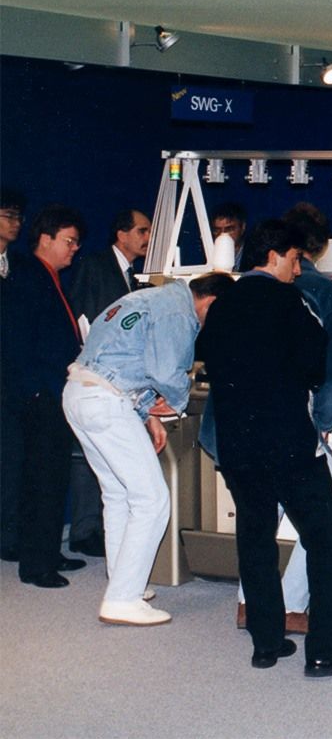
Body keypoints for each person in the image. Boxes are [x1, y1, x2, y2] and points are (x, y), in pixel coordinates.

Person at [197, 220, 332, 676]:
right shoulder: (290, 301)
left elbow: (210, 360)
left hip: (237, 445)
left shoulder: (222, 303)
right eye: (296, 260)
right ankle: (325, 650)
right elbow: (316, 365)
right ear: (274, 255)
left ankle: (266, 642)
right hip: (289, 443)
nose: (298, 270)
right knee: (324, 542)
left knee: (255, 539)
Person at [62, 273, 233, 625]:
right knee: (152, 500)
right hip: (107, 402)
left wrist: (146, 415)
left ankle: (125, 583)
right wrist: (177, 403)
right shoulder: (179, 313)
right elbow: (167, 372)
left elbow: (125, 360)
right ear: (212, 302)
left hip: (80, 393)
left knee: (118, 495)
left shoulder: (145, 299)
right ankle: (122, 599)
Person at [225, 202, 332, 634]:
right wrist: (325, 422)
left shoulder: (233, 292)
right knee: (327, 515)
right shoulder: (322, 294)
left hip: (240, 434)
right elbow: (330, 369)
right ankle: (296, 609)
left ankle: (253, 611)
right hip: (292, 429)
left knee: (259, 523)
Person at [7, 204, 88, 587]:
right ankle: (36, 564)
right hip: (40, 395)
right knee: (42, 479)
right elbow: (18, 341)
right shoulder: (28, 277)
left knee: (53, 476)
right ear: (45, 239)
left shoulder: (47, 277)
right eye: (69, 241)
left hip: (52, 391)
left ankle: (48, 552)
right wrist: (37, 389)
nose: (75, 249)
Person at [65, 207, 153, 558]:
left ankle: (102, 528)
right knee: (88, 457)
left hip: (120, 378)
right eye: (142, 231)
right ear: (121, 234)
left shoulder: (134, 275)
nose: (148, 237)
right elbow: (81, 318)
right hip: (95, 376)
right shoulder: (95, 266)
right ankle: (84, 529)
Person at [0, 189, 27, 561]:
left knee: (11, 460)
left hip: (12, 380)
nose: (16, 223)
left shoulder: (19, 266)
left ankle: (7, 536)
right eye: (8, 215)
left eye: (19, 216)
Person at [211, 201, 248, 271]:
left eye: (229, 229)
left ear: (242, 227)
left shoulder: (254, 256)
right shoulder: (208, 256)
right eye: (217, 230)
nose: (222, 234)